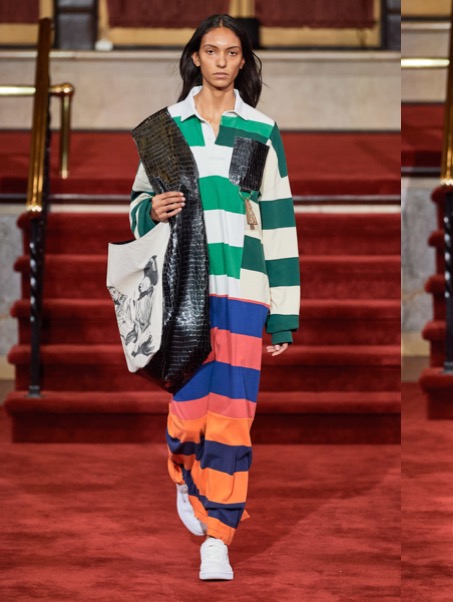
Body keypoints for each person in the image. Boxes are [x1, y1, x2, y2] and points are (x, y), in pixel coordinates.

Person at [128, 14, 299, 582]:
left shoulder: (262, 129)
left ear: (243, 61)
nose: (221, 61)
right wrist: (149, 210)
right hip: (185, 292)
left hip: (245, 292)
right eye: (211, 51)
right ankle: (183, 471)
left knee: (233, 418)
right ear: (196, 58)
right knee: (187, 415)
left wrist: (284, 312)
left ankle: (218, 537)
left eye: (231, 52)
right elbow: (138, 203)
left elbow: (278, 220)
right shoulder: (166, 127)